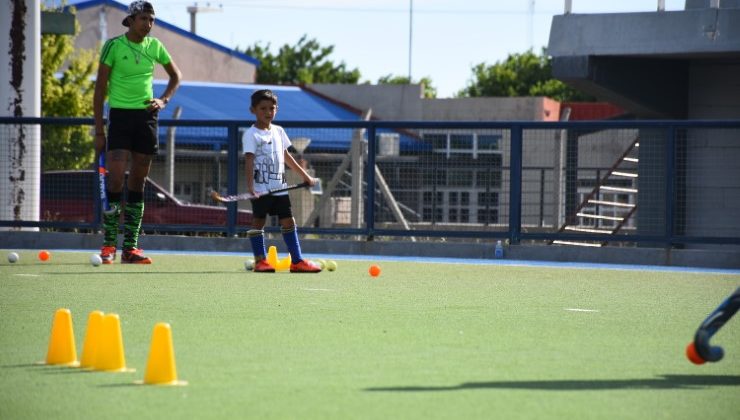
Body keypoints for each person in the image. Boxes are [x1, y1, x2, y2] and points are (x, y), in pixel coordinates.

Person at [93, 1, 181, 264]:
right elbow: (99, 91)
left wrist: (163, 100)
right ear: (131, 20)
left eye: (151, 19)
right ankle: (109, 245)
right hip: (119, 117)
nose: (148, 24)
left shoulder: (155, 46)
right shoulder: (113, 46)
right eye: (143, 18)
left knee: (138, 182)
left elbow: (176, 76)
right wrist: (99, 130)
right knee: (116, 178)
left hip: (146, 118)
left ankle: (130, 248)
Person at [243, 89, 321, 273]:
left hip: (280, 189)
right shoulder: (251, 134)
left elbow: (287, 156)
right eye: (263, 108)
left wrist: (306, 177)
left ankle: (297, 261)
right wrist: (250, 187)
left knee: (289, 222)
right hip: (261, 189)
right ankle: (261, 261)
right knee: (258, 222)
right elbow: (248, 160)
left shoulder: (279, 131)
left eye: (272, 108)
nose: (268, 112)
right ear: (252, 110)